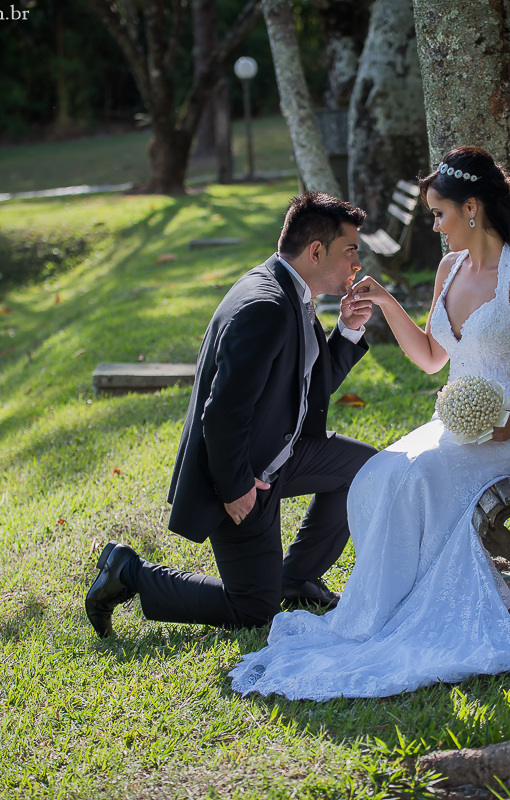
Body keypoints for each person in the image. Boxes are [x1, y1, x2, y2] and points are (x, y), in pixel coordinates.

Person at [230, 147, 510, 700]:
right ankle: (376, 613)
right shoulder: (449, 270)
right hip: (461, 424)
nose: (435, 226)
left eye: (439, 214)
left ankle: (406, 611)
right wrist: (384, 301)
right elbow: (430, 357)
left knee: (417, 476)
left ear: (472, 209)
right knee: (379, 472)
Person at [84, 192, 378, 636]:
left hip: (280, 452)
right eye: (351, 249)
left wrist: (348, 329)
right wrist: (236, 485)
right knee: (253, 610)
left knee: (364, 469)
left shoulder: (289, 289)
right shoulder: (267, 305)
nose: (357, 262)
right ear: (316, 251)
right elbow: (222, 412)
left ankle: (295, 578)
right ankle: (128, 573)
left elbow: (306, 388)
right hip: (242, 470)